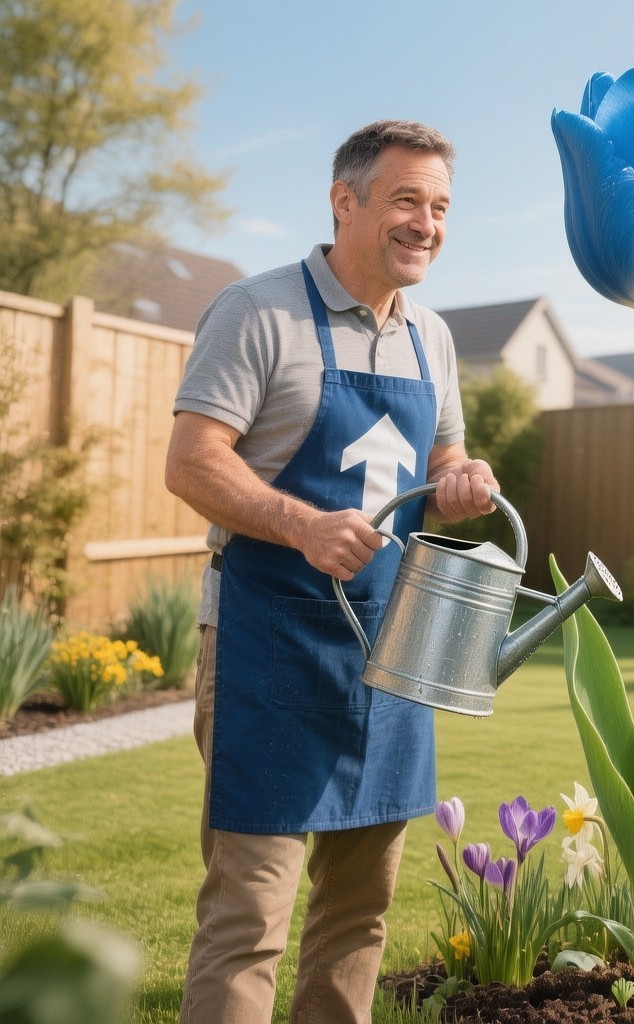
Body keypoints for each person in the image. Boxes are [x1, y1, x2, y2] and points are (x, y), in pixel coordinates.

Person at [165, 119, 498, 1024]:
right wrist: (302, 525)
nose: (425, 224)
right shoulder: (258, 310)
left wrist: (463, 483)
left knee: (359, 914)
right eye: (405, 201)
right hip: (268, 646)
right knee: (250, 915)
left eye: (439, 208)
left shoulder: (433, 336)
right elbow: (192, 460)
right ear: (344, 201)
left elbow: (443, 460)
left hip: (393, 654)